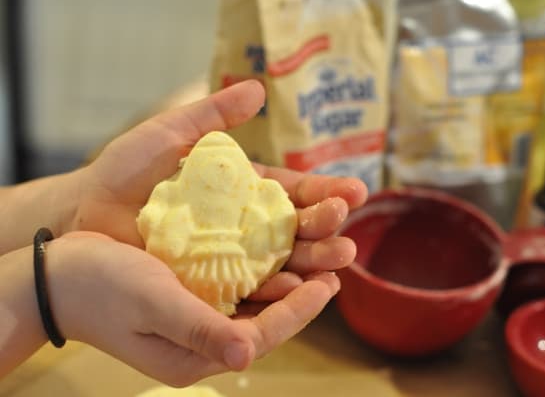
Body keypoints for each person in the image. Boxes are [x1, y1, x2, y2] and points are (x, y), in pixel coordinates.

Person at [0, 80, 368, 386]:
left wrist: (73, 205)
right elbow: (159, 216)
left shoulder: (263, 199)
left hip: (236, 261)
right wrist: (49, 292)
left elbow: (274, 210)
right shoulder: (172, 198)